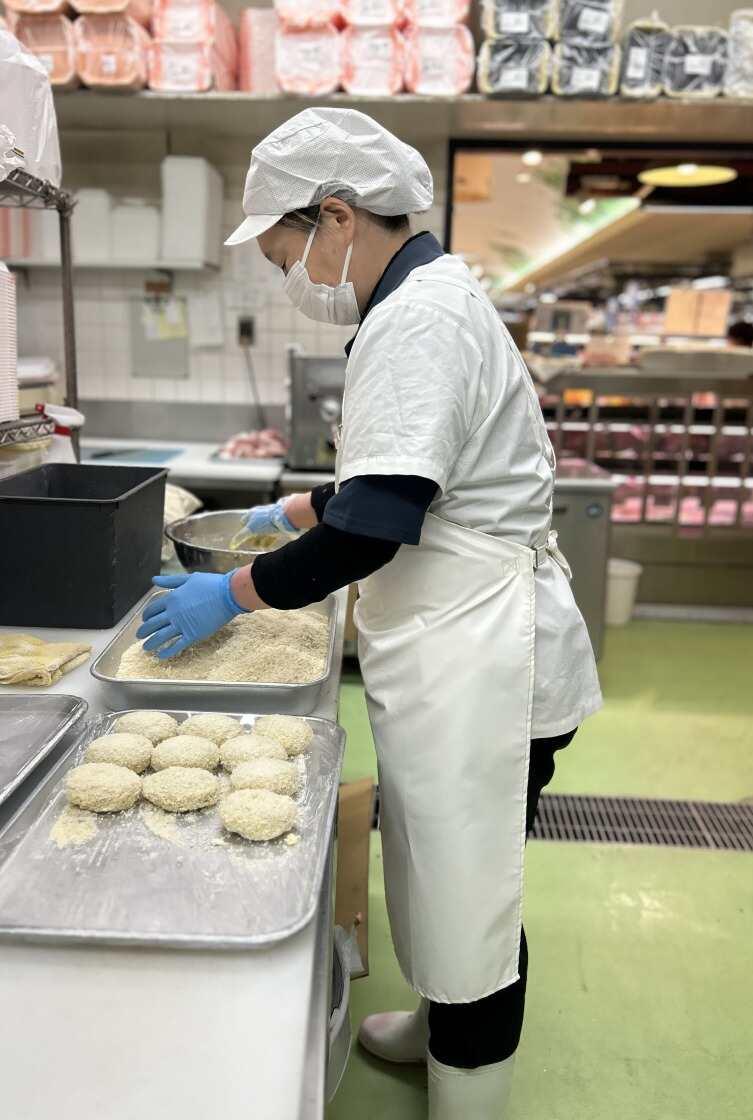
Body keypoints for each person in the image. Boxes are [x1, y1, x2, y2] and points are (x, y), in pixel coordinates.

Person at [137, 108, 603, 1118]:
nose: (287, 276)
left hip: (491, 650)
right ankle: (442, 1026)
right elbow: (397, 478)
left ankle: (469, 1087)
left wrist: (235, 591)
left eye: (285, 252)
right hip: (459, 642)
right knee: (438, 855)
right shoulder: (418, 298)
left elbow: (373, 529)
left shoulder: (419, 317)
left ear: (337, 217)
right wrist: (287, 507)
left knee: (474, 883)